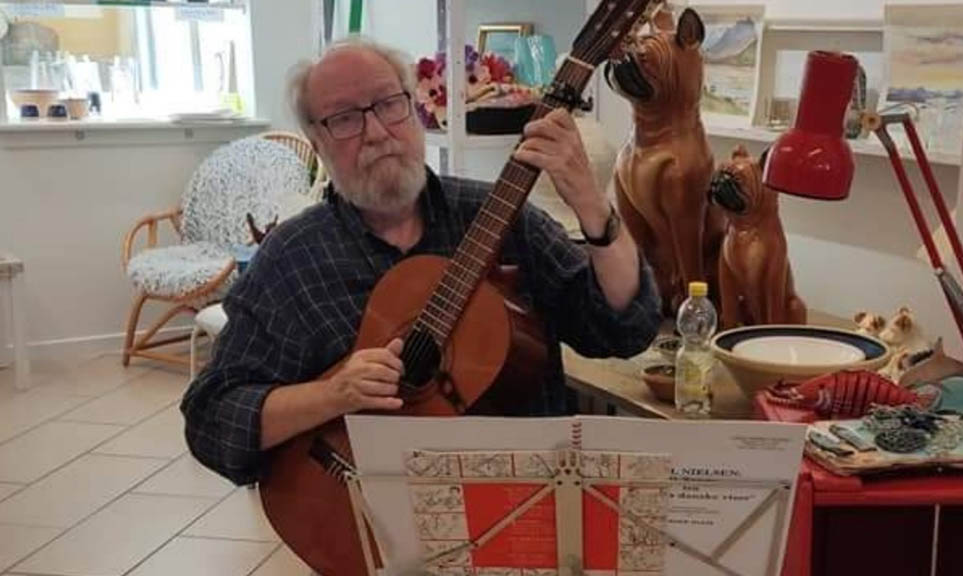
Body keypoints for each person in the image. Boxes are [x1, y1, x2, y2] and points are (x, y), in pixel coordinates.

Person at [181, 38, 661, 486]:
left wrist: (593, 206)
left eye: (389, 104)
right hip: (368, 527)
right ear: (318, 140)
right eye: (344, 118)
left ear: (415, 109)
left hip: (522, 506)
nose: (375, 132)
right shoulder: (291, 259)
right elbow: (212, 419)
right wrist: (332, 394)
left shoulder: (504, 217)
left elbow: (622, 328)